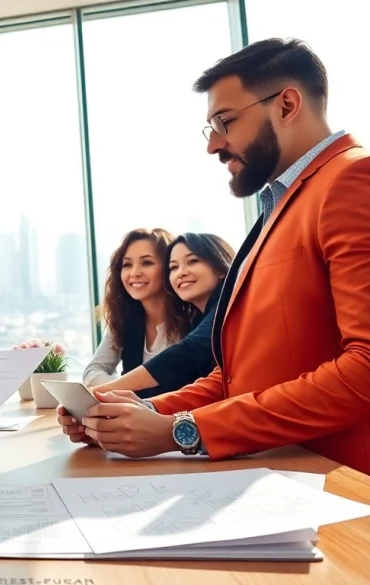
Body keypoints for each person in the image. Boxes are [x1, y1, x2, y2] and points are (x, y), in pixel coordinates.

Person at [60, 39, 370, 474]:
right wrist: (137, 414)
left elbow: (365, 370)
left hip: (340, 483)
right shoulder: (285, 203)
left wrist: (180, 430)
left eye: (225, 121)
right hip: (281, 472)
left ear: (287, 105)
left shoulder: (353, 180)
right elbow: (239, 378)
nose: (214, 145)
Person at [91, 233, 235, 398]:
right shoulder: (125, 320)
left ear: (221, 268)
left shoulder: (227, 305)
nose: (181, 273)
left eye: (192, 261)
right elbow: (206, 387)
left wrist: (104, 391)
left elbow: (186, 354)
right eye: (174, 267)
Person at [81, 228, 192, 387]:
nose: (134, 273)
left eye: (147, 263)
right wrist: (126, 390)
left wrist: (119, 389)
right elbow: (92, 373)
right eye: (127, 264)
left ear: (169, 267)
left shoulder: (192, 320)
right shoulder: (123, 319)